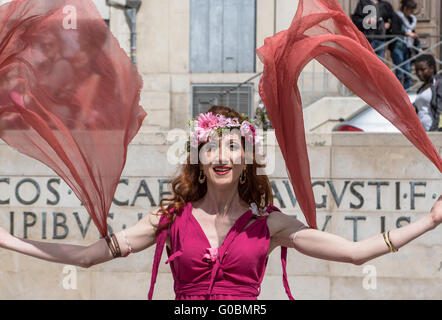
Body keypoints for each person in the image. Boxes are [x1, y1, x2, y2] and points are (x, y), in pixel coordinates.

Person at [0, 105, 441, 300]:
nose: (221, 155)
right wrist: (6, 240)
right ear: (199, 158)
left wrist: (430, 220)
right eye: (211, 147)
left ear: (246, 159)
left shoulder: (271, 224)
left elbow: (355, 253)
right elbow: (83, 257)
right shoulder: (169, 218)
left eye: (232, 146)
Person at [389, 0, 419, 90]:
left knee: (408, 70)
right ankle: (398, 93)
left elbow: (413, 32)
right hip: (397, 47)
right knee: (399, 71)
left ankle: (407, 92)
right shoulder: (396, 16)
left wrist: (418, 46)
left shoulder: (411, 19)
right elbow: (394, 31)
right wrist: (406, 33)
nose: (412, 12)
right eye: (411, 10)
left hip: (408, 48)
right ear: (405, 8)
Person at [413, 54, 442, 131]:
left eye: (422, 69)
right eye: (417, 70)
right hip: (423, 133)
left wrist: (436, 130)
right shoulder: (422, 89)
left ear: (432, 68)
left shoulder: (439, 84)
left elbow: (440, 110)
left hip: (434, 132)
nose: (419, 73)